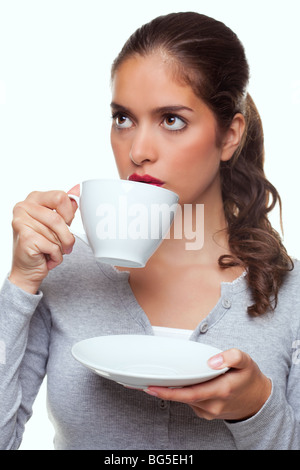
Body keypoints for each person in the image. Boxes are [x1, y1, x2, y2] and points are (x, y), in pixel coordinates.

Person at [0, 11, 299, 450]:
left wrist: (257, 406)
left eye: (171, 120)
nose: (137, 151)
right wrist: (20, 285)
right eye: (123, 119)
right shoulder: (62, 271)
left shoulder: (290, 297)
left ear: (230, 135)